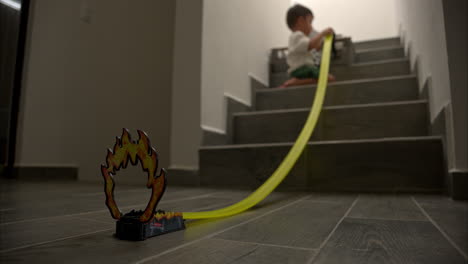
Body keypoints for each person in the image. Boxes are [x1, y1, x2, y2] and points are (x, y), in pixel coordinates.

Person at [280, 4, 336, 88]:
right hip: (303, 69)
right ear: (301, 21)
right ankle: (295, 82)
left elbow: (314, 47)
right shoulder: (297, 35)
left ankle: (297, 81)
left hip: (302, 70)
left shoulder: (297, 37)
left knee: (326, 78)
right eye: (310, 22)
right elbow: (311, 45)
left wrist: (323, 43)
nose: (311, 27)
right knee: (329, 78)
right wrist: (323, 33)